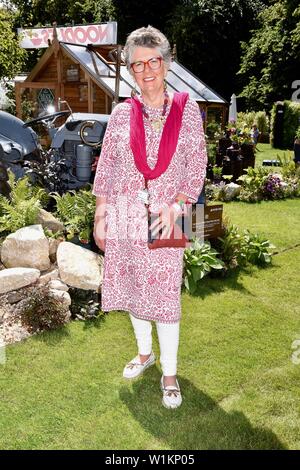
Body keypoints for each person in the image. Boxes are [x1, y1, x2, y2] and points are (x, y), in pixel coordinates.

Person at [92, 26, 207, 409]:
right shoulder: (122, 114)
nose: (145, 70)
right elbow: (107, 166)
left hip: (165, 216)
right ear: (130, 70)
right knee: (132, 290)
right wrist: (100, 214)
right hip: (124, 215)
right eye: (137, 64)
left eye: (152, 61)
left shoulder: (187, 109)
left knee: (164, 297)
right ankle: (145, 353)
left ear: (166, 63)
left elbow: (196, 166)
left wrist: (178, 206)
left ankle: (169, 372)